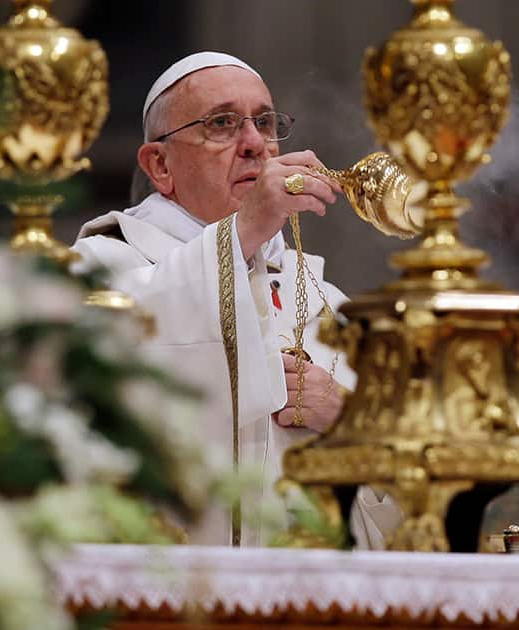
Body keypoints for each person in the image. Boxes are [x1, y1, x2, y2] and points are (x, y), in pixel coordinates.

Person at [72, 52, 401, 547]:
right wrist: (245, 228)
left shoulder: (324, 302)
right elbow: (111, 384)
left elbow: (413, 498)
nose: (254, 145)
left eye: (265, 123)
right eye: (222, 124)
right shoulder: (101, 267)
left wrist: (348, 421)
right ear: (160, 165)